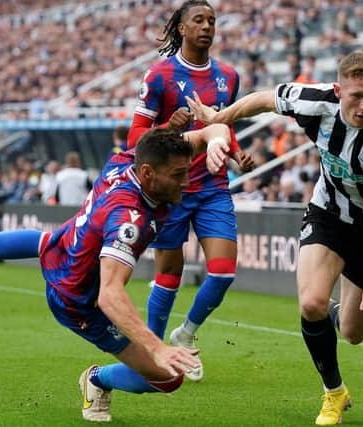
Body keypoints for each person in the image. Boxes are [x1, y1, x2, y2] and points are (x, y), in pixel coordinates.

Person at [0, 125, 231, 423]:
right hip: (78, 300)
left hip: (69, 245)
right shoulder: (128, 220)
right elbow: (109, 295)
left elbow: (210, 130)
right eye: (178, 174)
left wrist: (215, 142)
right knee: (167, 377)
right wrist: (157, 347)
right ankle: (96, 379)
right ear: (148, 174)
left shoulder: (128, 159)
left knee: (43, 240)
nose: (187, 181)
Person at [187, 51, 363, 426]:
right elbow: (263, 99)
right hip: (328, 214)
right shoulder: (315, 102)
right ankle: (334, 393)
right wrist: (218, 118)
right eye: (356, 96)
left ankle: (340, 313)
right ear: (338, 90)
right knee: (311, 303)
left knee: (354, 334)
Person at [127, 0, 254, 382]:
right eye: (198, 19)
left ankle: (187, 333)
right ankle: (153, 350)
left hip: (213, 187)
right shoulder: (160, 75)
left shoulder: (228, 77)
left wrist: (235, 153)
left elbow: (222, 124)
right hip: (173, 189)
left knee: (223, 273)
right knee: (169, 274)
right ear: (181, 28)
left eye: (212, 20)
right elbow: (135, 137)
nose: (207, 26)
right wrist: (169, 125)